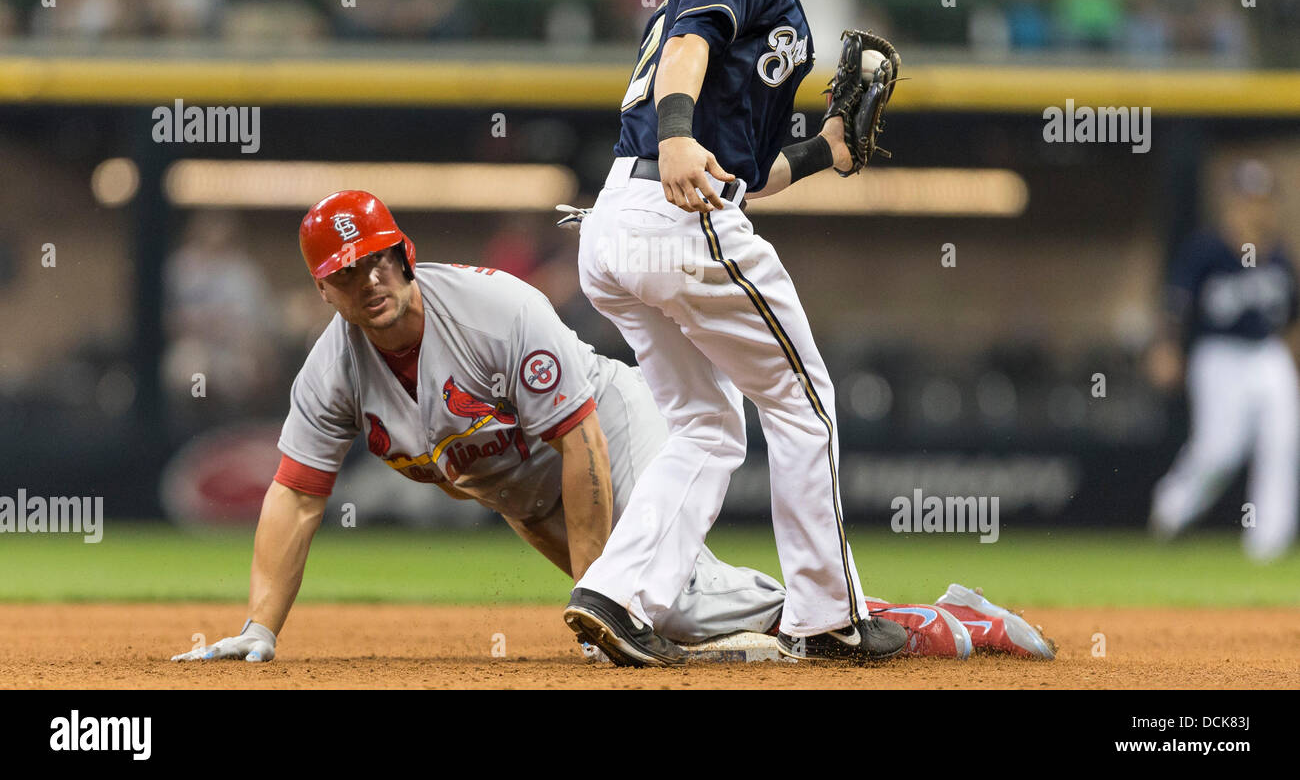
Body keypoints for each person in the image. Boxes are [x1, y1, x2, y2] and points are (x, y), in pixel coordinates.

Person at [172, 191, 1055, 663]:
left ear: (404, 253)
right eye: (345, 273)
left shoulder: (490, 308)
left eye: (378, 259)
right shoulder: (331, 372)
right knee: (672, 621)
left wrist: (604, 593)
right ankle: (867, 616)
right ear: (322, 292)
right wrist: (261, 625)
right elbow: (293, 499)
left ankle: (948, 623)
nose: (369, 280)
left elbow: (580, 443)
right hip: (525, 490)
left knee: (656, 609)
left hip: (605, 422)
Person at [561, 0, 945, 666]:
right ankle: (829, 614)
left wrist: (829, 148)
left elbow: (746, 174)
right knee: (804, 401)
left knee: (707, 424)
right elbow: (688, 42)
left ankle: (616, 595)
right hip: (670, 206)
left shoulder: (783, 14)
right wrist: (673, 136)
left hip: (623, 225)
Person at [1148, 159, 1299, 561]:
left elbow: (1293, 318)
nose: (1256, 208)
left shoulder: (1279, 255)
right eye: (1249, 198)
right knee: (1219, 450)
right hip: (1218, 354)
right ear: (1233, 201)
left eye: (1263, 199)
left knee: (1283, 441)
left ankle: (1268, 543)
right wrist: (1166, 346)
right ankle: (1172, 508)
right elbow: (1175, 304)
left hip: (1267, 354)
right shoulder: (1207, 249)